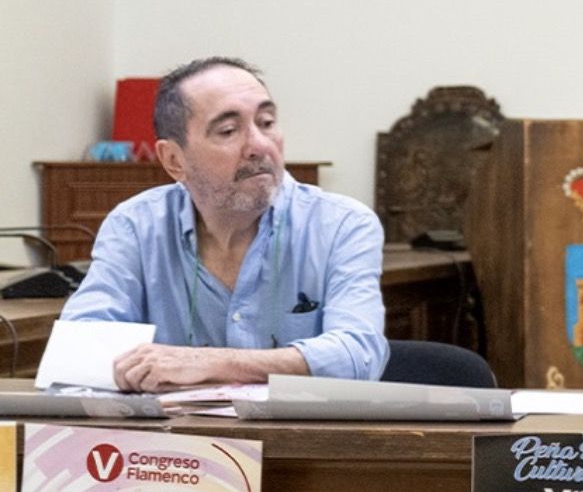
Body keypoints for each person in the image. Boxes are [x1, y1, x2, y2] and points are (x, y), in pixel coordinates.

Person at [61, 56, 388, 389]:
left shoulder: (342, 225)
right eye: (229, 131)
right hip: (175, 439)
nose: (259, 145)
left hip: (297, 440)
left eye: (267, 122)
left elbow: (358, 355)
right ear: (174, 160)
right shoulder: (135, 226)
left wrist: (209, 362)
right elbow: (80, 350)